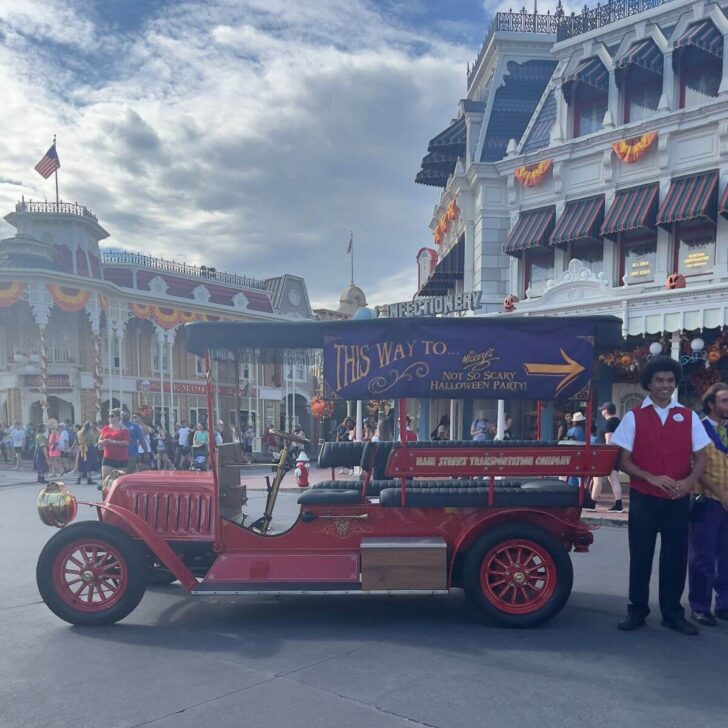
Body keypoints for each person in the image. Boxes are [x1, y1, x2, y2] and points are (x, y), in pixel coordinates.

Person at [611, 356, 709, 635]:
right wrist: (652, 477)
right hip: (644, 497)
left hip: (678, 499)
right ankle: (637, 610)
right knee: (640, 555)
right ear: (649, 384)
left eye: (670, 380)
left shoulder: (688, 417)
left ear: (675, 383)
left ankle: (673, 613)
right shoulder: (634, 417)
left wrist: (689, 482)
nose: (665, 385)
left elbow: (701, 457)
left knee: (675, 557)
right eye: (659, 380)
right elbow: (623, 460)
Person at [688, 382, 728, 626]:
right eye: (724, 400)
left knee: (726, 556)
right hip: (708, 501)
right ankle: (700, 606)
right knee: (702, 556)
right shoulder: (699, 430)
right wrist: (721, 493)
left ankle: (724, 604)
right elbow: (695, 469)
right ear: (711, 404)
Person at [590, 402, 624, 512]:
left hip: (607, 455)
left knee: (597, 478)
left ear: (606, 411)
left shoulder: (608, 424)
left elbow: (609, 441)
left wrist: (604, 456)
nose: (601, 412)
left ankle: (592, 503)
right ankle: (619, 504)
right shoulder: (620, 422)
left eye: (602, 410)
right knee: (614, 479)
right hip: (617, 454)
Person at [98, 409, 130, 478]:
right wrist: (103, 442)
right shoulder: (105, 428)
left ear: (118, 417)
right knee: (105, 477)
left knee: (120, 480)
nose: (110, 418)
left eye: (112, 416)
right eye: (109, 416)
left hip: (121, 458)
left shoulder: (124, 429)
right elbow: (99, 440)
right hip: (108, 457)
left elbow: (126, 442)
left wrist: (112, 442)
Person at [76, 421, 98, 485]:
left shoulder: (79, 433)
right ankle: (89, 479)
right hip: (89, 449)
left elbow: (78, 441)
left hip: (82, 449)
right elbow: (94, 443)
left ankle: (79, 479)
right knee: (89, 463)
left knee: (82, 463)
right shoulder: (91, 433)